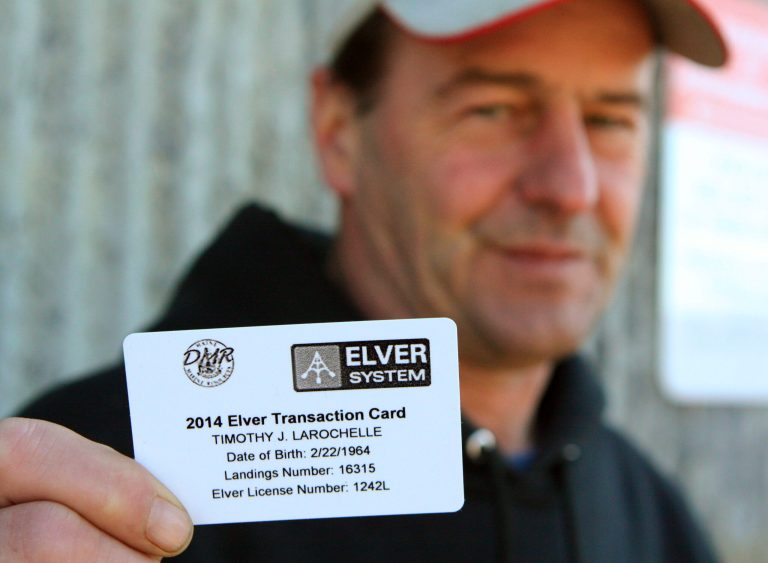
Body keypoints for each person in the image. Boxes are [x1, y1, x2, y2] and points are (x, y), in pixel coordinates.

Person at [0, 0, 728, 561]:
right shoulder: (92, 488)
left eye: (610, 120)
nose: (570, 185)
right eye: (496, 109)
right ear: (338, 131)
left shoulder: (657, 516)